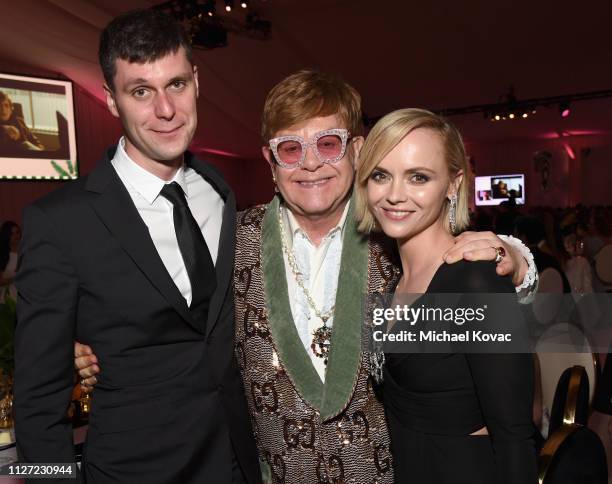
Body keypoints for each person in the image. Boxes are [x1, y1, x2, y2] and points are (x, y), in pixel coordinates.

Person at [77, 70, 539, 482]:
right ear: (270, 161)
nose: (311, 163)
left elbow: (492, 360)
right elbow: (168, 311)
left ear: (357, 151)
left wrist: (515, 261)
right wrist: (94, 347)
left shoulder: (393, 232)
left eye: (329, 143)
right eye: (291, 149)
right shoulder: (229, 239)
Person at [14, 9, 260, 484]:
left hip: (235, 466)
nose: (165, 110)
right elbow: (36, 402)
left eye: (176, 85)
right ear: (110, 100)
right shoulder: (60, 222)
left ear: (196, 80)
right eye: (141, 91)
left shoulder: (219, 190)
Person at [355, 108, 537, 483]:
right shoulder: (391, 286)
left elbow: (515, 434)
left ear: (453, 184)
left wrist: (516, 259)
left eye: (418, 177)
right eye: (380, 175)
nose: (394, 195)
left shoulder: (475, 280)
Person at [0, 221, 20, 301]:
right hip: (6, 299)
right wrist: (18, 277)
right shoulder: (3, 255)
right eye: (12, 234)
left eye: (17, 232)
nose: (16, 236)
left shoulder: (26, 252)